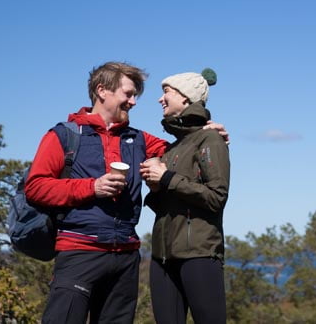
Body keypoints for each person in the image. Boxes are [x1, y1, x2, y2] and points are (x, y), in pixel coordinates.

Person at [25, 62, 227, 324]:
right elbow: (35, 187)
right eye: (128, 94)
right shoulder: (64, 136)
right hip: (79, 253)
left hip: (126, 260)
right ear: (102, 91)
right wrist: (92, 186)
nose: (133, 102)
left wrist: (207, 132)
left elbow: (184, 149)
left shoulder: (140, 139)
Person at [140, 68, 230, 324]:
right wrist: (156, 188)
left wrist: (167, 178)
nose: (160, 99)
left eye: (166, 92)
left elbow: (216, 197)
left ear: (186, 98)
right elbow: (169, 205)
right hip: (162, 257)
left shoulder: (211, 139)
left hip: (199, 254)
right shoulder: (174, 147)